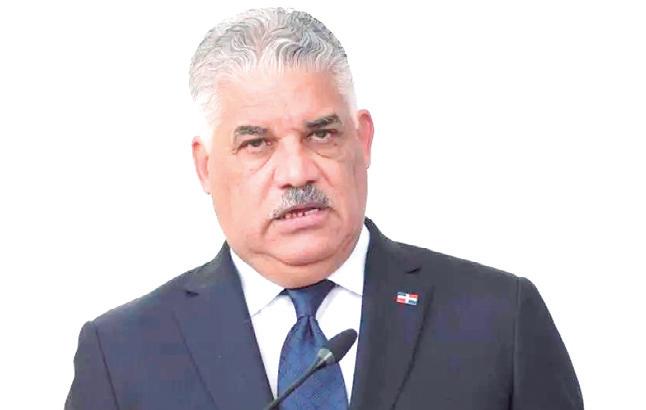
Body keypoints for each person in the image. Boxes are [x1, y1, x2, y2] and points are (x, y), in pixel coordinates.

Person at [65, 7, 583, 410]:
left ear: (363, 140)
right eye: (257, 144)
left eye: (321, 134)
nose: (297, 172)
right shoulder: (122, 353)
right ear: (205, 167)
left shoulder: (499, 318)